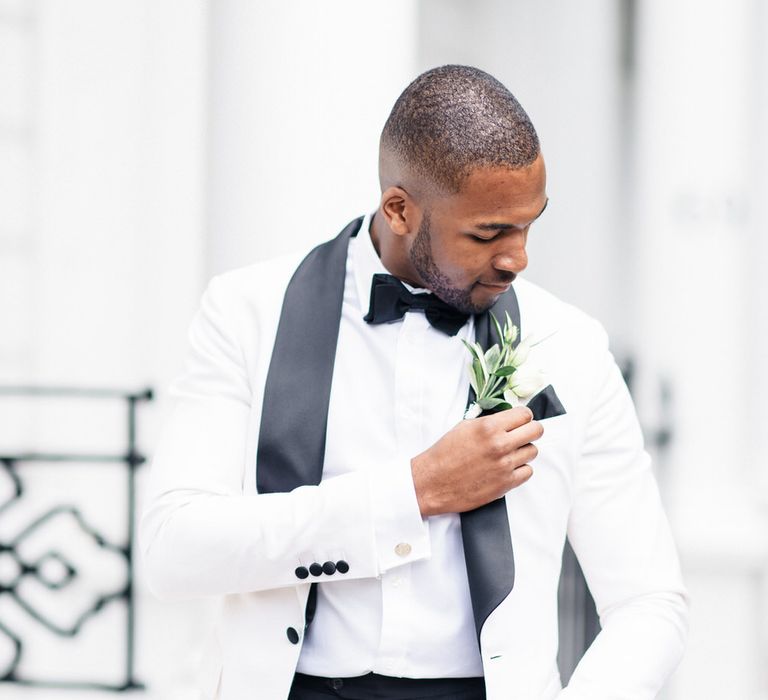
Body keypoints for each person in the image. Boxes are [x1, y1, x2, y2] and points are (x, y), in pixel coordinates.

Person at [140, 65, 688, 700]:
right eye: (487, 234)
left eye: (529, 224)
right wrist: (412, 492)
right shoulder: (246, 313)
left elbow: (649, 600)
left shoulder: (571, 345)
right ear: (399, 209)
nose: (518, 258)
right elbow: (172, 549)